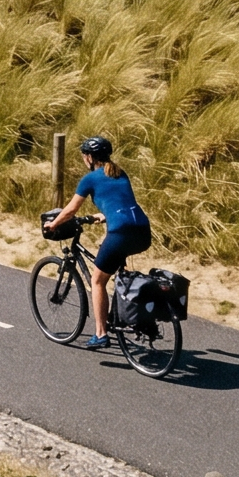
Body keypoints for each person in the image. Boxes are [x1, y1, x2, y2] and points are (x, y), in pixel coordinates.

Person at [52, 135, 151, 349]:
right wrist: (104, 215)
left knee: (97, 281)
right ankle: (126, 313)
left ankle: (101, 333)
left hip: (121, 233)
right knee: (115, 264)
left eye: (83, 156)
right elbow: (121, 201)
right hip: (142, 231)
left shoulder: (90, 179)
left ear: (89, 157)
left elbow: (70, 210)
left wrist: (53, 225)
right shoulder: (119, 172)